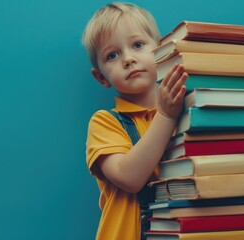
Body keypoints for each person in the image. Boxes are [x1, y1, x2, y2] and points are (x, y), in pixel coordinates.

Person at [82, 2, 188, 239]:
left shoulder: (186, 111)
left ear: (160, 50)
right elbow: (130, 178)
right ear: (101, 77)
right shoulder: (105, 122)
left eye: (138, 45)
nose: (128, 59)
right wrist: (166, 115)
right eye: (112, 55)